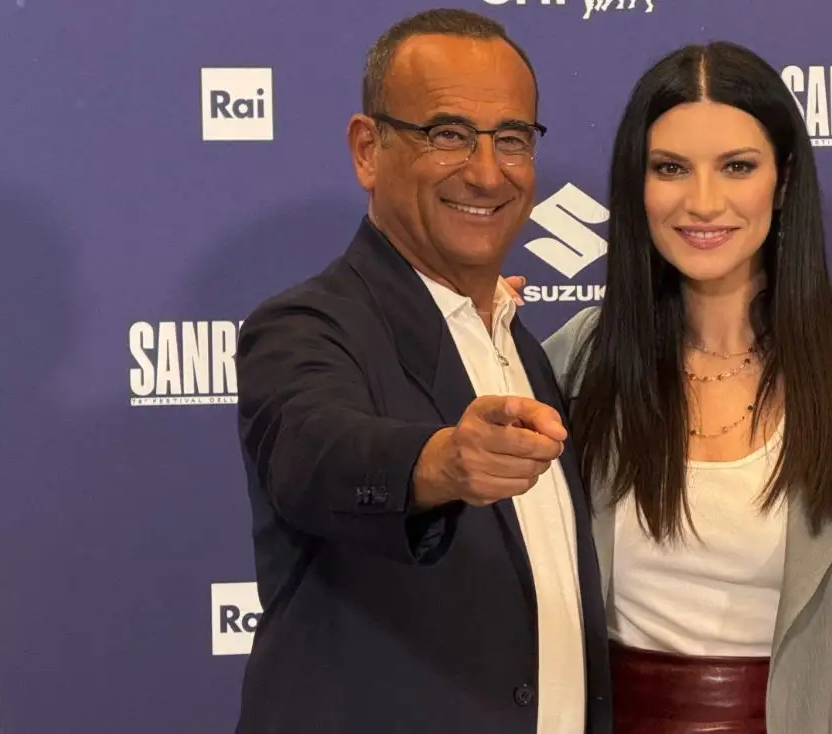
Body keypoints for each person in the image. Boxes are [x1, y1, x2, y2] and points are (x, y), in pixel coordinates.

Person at [529, 41, 832, 733]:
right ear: (636, 186)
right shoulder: (576, 366)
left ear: (783, 181)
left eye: (737, 166)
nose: (704, 202)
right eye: (671, 168)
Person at [232, 9, 611, 734]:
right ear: (367, 150)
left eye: (511, 138)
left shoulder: (521, 345)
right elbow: (315, 452)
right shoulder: (303, 326)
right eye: (448, 134)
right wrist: (441, 462)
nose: (487, 172)